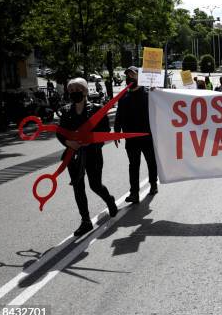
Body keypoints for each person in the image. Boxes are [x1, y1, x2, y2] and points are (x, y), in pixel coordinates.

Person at [57, 77, 117, 236]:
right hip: (73, 156)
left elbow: (105, 132)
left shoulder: (97, 109)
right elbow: (60, 133)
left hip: (92, 154)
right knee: (78, 187)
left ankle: (109, 200)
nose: (74, 93)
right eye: (71, 91)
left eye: (77, 90)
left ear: (84, 92)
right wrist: (69, 142)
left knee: (95, 185)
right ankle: (85, 221)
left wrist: (90, 142)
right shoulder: (65, 111)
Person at [114, 66, 158, 203]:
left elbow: (158, 112)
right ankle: (134, 193)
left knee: (151, 162)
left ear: (140, 77)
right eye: (127, 75)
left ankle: (153, 184)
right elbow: (119, 115)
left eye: (132, 75)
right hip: (131, 138)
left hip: (147, 137)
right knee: (133, 166)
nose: (129, 78)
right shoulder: (123, 96)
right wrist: (116, 132)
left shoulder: (148, 95)